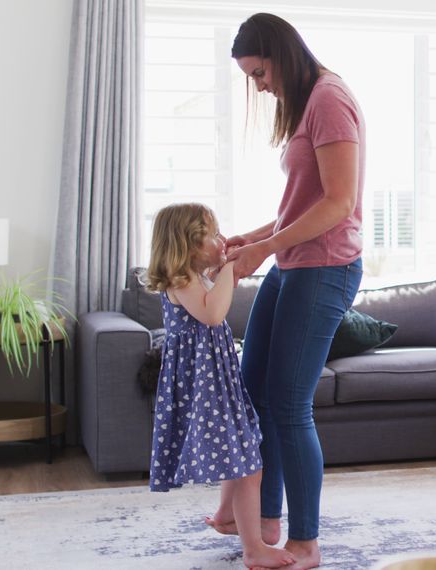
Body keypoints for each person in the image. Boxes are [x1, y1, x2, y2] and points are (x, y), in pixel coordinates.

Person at [204, 12, 366, 570]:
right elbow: (303, 200)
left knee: (291, 405)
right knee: (253, 388)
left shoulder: (328, 100)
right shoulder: (306, 104)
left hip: (325, 268)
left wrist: (263, 250)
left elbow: (339, 204)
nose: (258, 85)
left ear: (280, 53)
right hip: (295, 262)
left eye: (258, 72)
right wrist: (253, 238)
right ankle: (263, 516)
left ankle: (306, 541)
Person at [146, 203, 296, 570]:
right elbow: (213, 314)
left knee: (241, 454)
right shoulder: (181, 281)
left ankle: (227, 517)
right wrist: (229, 267)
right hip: (206, 391)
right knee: (248, 466)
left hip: (217, 385)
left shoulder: (193, 278)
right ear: (189, 244)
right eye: (212, 235)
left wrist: (223, 271)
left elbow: (216, 303)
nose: (221, 239)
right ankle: (254, 549)